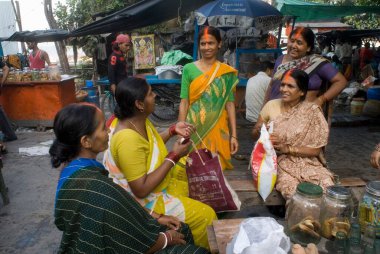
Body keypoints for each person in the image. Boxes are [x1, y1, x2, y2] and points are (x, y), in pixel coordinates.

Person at [50, 103, 208, 253]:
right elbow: (125, 243)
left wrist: (155, 216)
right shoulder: (96, 187)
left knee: (180, 227)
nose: (108, 131)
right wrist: (165, 239)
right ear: (86, 141)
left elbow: (121, 203)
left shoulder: (72, 168)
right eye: (102, 128)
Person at [103, 77, 217, 249]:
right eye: (150, 93)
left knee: (197, 186)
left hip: (156, 187)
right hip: (145, 202)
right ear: (139, 104)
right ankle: (194, 248)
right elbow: (140, 189)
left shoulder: (137, 119)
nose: (155, 95)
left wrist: (172, 131)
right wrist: (174, 156)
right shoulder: (127, 139)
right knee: (207, 215)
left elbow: (150, 145)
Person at [253, 69, 334, 200]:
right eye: (282, 85)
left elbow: (315, 151)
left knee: (327, 190)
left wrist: (288, 148)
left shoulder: (312, 111)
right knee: (295, 196)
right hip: (279, 163)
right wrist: (259, 131)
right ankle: (301, 219)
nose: (284, 89)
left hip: (310, 163)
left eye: (290, 86)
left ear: (302, 91)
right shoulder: (271, 105)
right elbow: (254, 133)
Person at [178, 26, 239, 171]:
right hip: (194, 127)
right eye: (203, 44)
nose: (206, 47)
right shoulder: (188, 69)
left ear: (219, 44)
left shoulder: (226, 72)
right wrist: (179, 129)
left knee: (217, 171)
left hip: (218, 128)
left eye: (210, 43)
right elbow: (184, 101)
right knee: (194, 169)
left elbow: (230, 104)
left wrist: (234, 136)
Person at [267, 27, 347, 108]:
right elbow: (271, 86)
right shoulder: (280, 60)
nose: (293, 45)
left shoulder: (317, 63)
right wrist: (264, 108)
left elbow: (341, 82)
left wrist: (320, 100)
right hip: (275, 111)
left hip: (302, 116)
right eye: (292, 41)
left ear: (308, 47)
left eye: (299, 43)